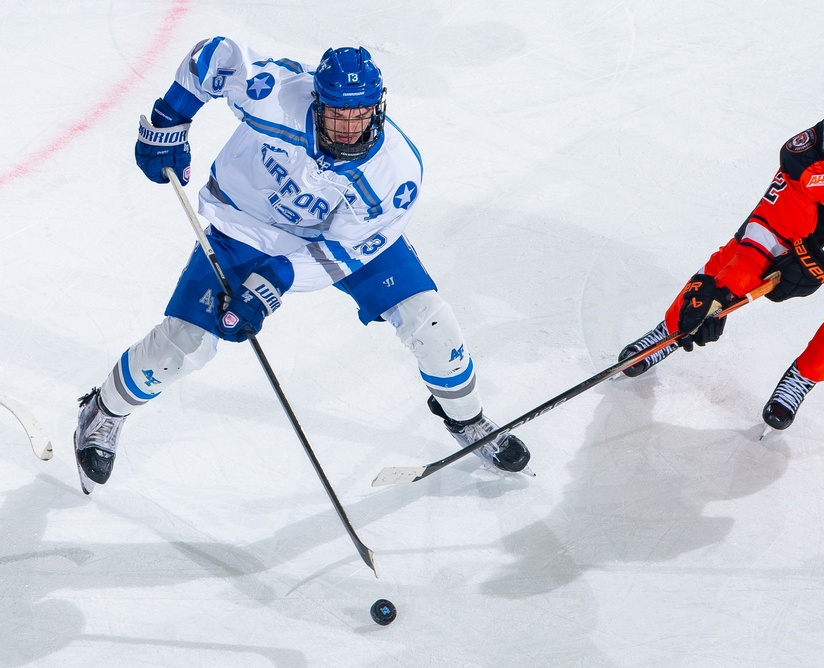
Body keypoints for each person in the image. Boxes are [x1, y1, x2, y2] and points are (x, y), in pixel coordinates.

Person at [73, 37, 531, 494]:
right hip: (245, 226)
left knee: (429, 319)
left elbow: (346, 253)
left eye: (361, 114)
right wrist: (171, 117)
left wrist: (277, 279)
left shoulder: (395, 172)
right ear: (317, 101)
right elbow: (213, 56)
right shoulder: (276, 94)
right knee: (186, 343)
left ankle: (469, 421)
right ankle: (103, 412)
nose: (350, 127)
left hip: (345, 239)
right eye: (338, 114)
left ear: (378, 107)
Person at [618, 68, 824, 430]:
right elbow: (765, 235)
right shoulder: (807, 153)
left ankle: (803, 377)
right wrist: (720, 293)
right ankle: (672, 328)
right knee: (739, 252)